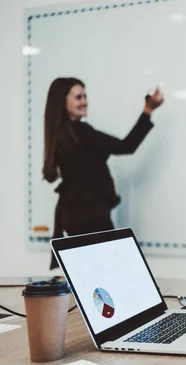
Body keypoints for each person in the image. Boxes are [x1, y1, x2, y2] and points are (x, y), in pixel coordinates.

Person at [43, 77, 164, 269]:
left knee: (94, 273)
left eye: (85, 96)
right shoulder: (80, 133)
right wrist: (148, 110)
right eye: (78, 97)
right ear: (63, 101)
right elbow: (127, 145)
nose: (84, 101)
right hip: (88, 215)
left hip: (75, 215)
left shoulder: (60, 134)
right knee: (112, 271)